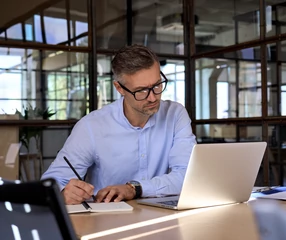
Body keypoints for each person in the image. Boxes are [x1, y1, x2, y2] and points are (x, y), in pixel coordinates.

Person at [41, 44, 196, 205]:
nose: (152, 98)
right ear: (119, 88)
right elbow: (51, 182)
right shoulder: (91, 126)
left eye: (157, 85)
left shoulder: (175, 114)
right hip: (107, 221)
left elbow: (188, 176)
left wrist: (134, 188)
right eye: (141, 90)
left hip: (162, 217)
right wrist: (63, 192)